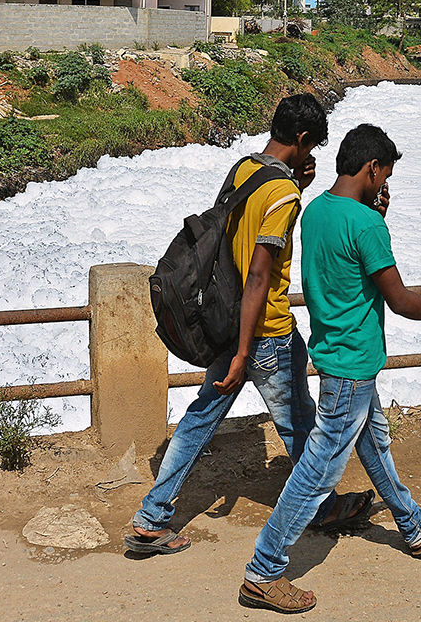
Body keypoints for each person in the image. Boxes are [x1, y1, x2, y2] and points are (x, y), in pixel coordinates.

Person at [125, 95, 374, 556]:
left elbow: (234, 237)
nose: (313, 153)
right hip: (264, 332)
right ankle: (319, 510)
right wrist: (244, 353)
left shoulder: (245, 169)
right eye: (312, 144)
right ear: (301, 139)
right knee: (302, 425)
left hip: (228, 320)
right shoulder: (282, 194)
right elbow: (260, 272)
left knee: (201, 419)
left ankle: (152, 517)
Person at [238, 124, 421, 613]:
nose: (385, 184)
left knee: (375, 443)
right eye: (384, 174)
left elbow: (342, 264)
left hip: (332, 353)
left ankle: (415, 527)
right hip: (352, 364)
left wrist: (372, 212)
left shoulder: (316, 209)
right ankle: (263, 570)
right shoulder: (366, 225)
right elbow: (400, 300)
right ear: (372, 168)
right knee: (316, 472)